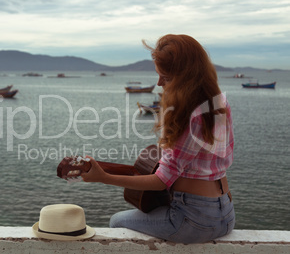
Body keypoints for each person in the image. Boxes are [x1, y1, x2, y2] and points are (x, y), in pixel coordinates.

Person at [81, 34, 235, 244]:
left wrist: (103, 177)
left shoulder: (190, 114)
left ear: (186, 77)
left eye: (167, 77)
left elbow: (162, 181)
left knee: (116, 221)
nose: (159, 83)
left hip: (194, 219)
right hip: (226, 213)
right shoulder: (219, 103)